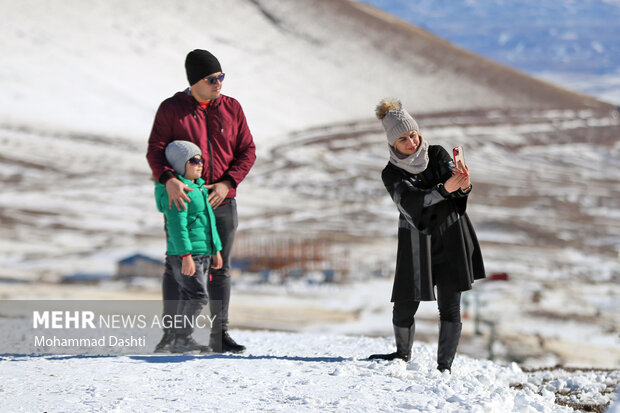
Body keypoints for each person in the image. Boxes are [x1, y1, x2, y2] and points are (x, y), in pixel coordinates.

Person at [147, 49, 256, 353]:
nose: (219, 83)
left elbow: (247, 151)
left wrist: (228, 183)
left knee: (221, 267)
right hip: (185, 200)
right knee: (178, 266)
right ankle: (172, 336)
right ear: (195, 81)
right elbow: (155, 150)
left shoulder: (232, 108)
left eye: (221, 76)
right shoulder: (172, 109)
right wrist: (169, 179)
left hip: (222, 200)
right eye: (212, 78)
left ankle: (218, 335)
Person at [369, 98, 486, 373]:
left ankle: (444, 366)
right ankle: (401, 354)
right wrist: (445, 190)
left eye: (413, 134)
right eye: (403, 139)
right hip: (415, 241)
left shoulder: (437, 153)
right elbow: (410, 202)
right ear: (392, 144)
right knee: (404, 303)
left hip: (451, 235)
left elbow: (455, 188)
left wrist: (464, 186)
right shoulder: (391, 173)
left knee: (450, 304)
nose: (411, 142)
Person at [154, 140, 223, 353]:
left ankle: (179, 339)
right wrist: (185, 255)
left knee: (188, 296)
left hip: (202, 253)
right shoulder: (180, 190)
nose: (200, 163)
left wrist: (216, 249)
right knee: (197, 297)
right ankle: (181, 339)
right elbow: (177, 226)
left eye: (201, 159)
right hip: (187, 254)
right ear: (179, 164)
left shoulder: (198, 187)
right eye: (193, 160)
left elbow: (208, 220)